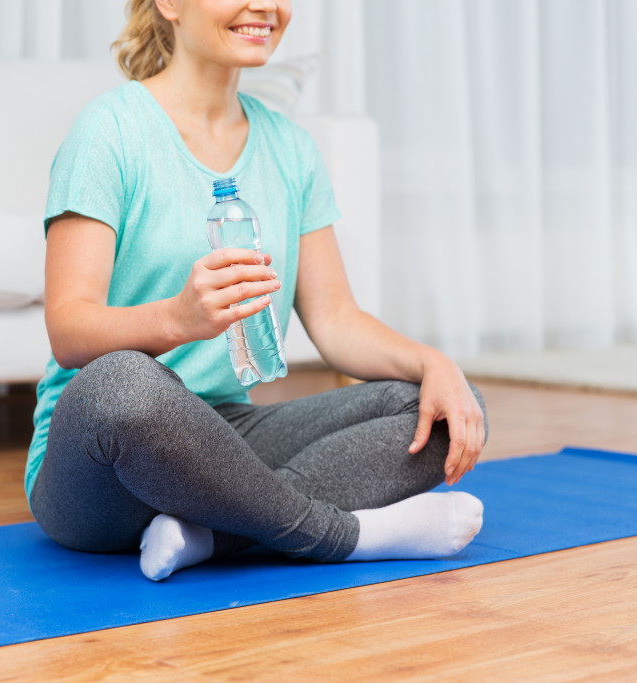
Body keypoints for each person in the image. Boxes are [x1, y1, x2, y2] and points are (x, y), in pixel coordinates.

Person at [26, 0, 488, 582]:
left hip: (223, 436)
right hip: (104, 461)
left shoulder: (290, 148)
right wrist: (177, 318)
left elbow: (337, 318)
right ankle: (346, 536)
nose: (265, 6)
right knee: (125, 383)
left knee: (448, 407)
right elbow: (68, 329)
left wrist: (434, 363)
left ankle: (212, 536)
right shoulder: (108, 132)